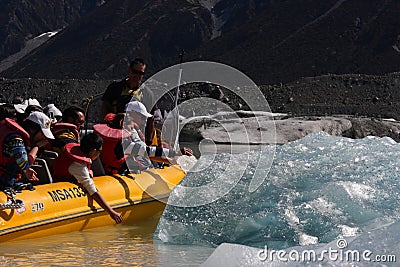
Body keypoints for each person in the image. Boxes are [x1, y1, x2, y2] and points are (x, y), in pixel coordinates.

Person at [51, 133, 123, 224]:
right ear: (93, 151)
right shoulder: (78, 165)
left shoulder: (77, 159)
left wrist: (88, 171)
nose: (100, 154)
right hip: (59, 186)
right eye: (99, 151)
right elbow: (93, 191)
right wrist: (111, 212)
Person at [122, 101, 192, 171]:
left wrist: (170, 161)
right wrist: (176, 153)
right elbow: (144, 151)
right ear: (133, 113)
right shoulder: (128, 129)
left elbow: (143, 152)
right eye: (142, 117)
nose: (144, 120)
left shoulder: (133, 128)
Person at [0, 111, 54, 190]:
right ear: (33, 129)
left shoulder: (8, 131)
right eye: (43, 134)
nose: (44, 138)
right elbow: (25, 163)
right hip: (5, 183)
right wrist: (37, 146)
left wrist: (26, 170)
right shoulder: (16, 139)